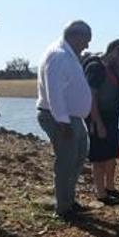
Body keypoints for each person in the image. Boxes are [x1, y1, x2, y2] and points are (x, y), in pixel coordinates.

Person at [37, 20, 93, 220]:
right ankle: (63, 207)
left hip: (72, 117)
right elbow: (55, 92)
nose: (86, 46)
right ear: (75, 35)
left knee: (77, 158)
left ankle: (69, 200)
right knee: (66, 161)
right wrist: (63, 121)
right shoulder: (59, 55)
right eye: (86, 41)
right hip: (60, 117)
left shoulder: (68, 54)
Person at [84, 39, 119, 202]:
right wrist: (97, 122)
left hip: (112, 116)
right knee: (99, 156)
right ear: (113, 52)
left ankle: (110, 188)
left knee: (112, 153)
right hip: (98, 116)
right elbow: (92, 96)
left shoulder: (115, 70)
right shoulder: (96, 68)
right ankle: (101, 193)